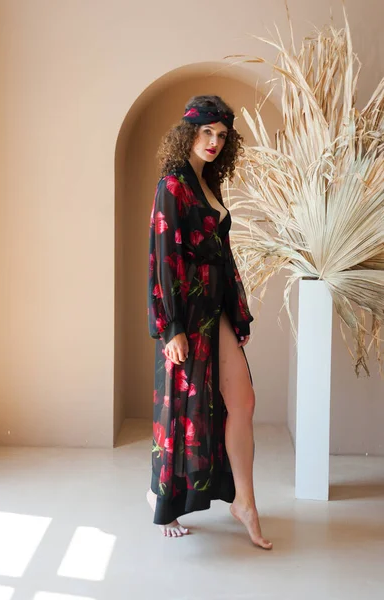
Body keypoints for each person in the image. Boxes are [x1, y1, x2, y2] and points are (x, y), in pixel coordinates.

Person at [146, 95, 272, 550]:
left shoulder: (207, 184)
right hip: (188, 313)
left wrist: (235, 309)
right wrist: (171, 325)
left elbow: (224, 254)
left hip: (214, 308)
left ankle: (245, 502)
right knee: (180, 411)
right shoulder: (173, 184)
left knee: (243, 401)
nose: (214, 142)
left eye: (222, 136)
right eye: (207, 133)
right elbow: (165, 257)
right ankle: (165, 504)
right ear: (189, 133)